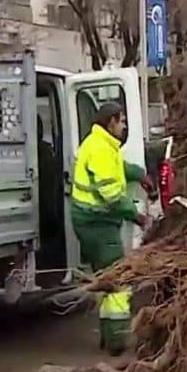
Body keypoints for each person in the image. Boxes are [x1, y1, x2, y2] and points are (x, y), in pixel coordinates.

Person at [69, 102, 152, 353]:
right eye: (121, 120)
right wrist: (137, 217)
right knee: (118, 281)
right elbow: (112, 195)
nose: (124, 125)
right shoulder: (101, 149)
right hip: (97, 224)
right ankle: (117, 341)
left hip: (92, 222)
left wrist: (139, 174)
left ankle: (108, 337)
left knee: (106, 279)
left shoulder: (101, 144)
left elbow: (119, 169)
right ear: (111, 122)